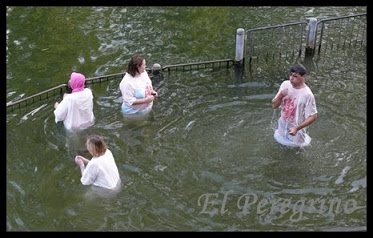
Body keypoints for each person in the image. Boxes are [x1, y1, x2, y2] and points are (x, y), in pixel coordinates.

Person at [271, 64, 318, 147]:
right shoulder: (285, 84)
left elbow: (313, 116)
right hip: (282, 124)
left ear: (303, 77)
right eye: (290, 75)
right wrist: (281, 95)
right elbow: (274, 105)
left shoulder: (307, 95)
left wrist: (297, 128)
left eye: (295, 76)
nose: (291, 79)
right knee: (280, 147)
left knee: (297, 150)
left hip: (297, 130)